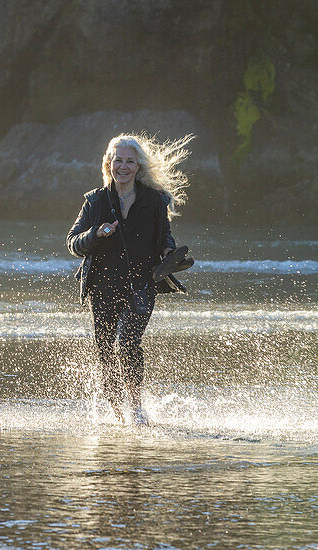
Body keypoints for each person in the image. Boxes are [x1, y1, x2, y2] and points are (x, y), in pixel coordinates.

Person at [66, 133, 192, 426]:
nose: (123, 166)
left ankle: (135, 408)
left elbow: (164, 236)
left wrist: (169, 252)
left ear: (138, 167)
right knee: (105, 348)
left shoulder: (154, 201)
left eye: (130, 162)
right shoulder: (95, 201)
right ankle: (117, 413)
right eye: (118, 160)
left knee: (128, 342)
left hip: (141, 285)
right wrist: (95, 234)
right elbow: (73, 243)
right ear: (108, 163)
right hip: (102, 285)